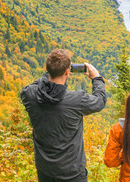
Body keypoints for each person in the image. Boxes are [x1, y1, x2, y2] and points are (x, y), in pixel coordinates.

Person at [20, 49, 107, 182]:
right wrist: (96, 79)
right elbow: (100, 101)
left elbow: (33, 86)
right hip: (73, 174)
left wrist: (51, 73)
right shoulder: (76, 100)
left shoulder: (30, 95)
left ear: (48, 69)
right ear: (68, 72)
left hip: (45, 172)